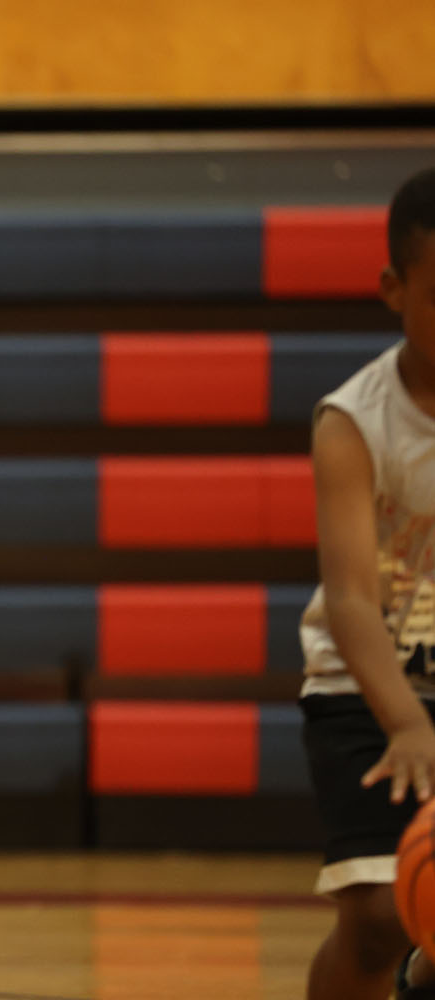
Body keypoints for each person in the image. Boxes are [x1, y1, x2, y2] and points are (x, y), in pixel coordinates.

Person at [301, 165, 435, 1000]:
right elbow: (350, 599)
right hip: (366, 683)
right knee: (382, 912)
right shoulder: (353, 421)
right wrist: (410, 723)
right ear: (394, 288)